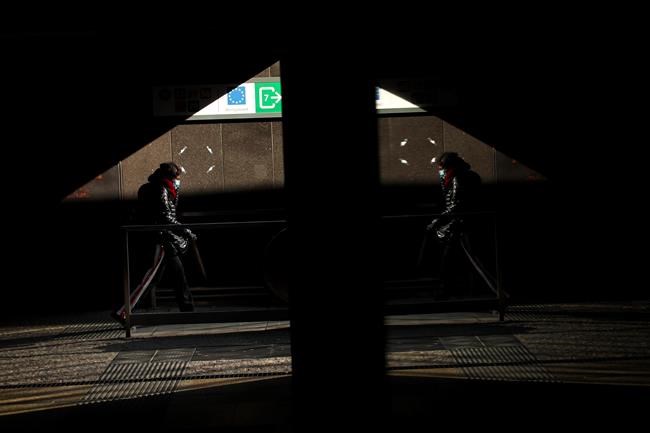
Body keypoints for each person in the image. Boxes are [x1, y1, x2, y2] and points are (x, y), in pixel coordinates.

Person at [112, 162, 196, 324]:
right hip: (161, 239)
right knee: (150, 278)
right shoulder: (161, 189)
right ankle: (123, 311)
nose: (179, 181)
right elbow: (165, 216)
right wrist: (184, 230)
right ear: (171, 177)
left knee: (178, 275)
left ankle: (188, 310)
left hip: (164, 238)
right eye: (177, 178)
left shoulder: (158, 187)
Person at [426, 152, 495, 299]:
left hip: (461, 225)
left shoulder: (457, 178)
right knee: (468, 260)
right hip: (468, 224)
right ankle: (471, 291)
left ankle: (450, 291)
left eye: (441, 167)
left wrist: (438, 220)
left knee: (451, 259)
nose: (440, 170)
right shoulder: (467, 175)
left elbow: (457, 204)